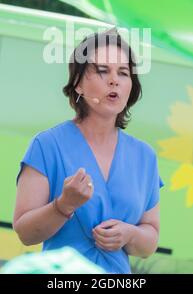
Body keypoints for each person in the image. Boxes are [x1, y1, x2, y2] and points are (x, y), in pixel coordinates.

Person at [13, 27, 164, 274]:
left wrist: (129, 234)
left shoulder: (145, 157)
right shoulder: (46, 145)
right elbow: (25, 233)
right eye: (102, 71)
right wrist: (63, 205)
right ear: (78, 84)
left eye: (123, 73)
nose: (114, 80)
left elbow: (149, 241)